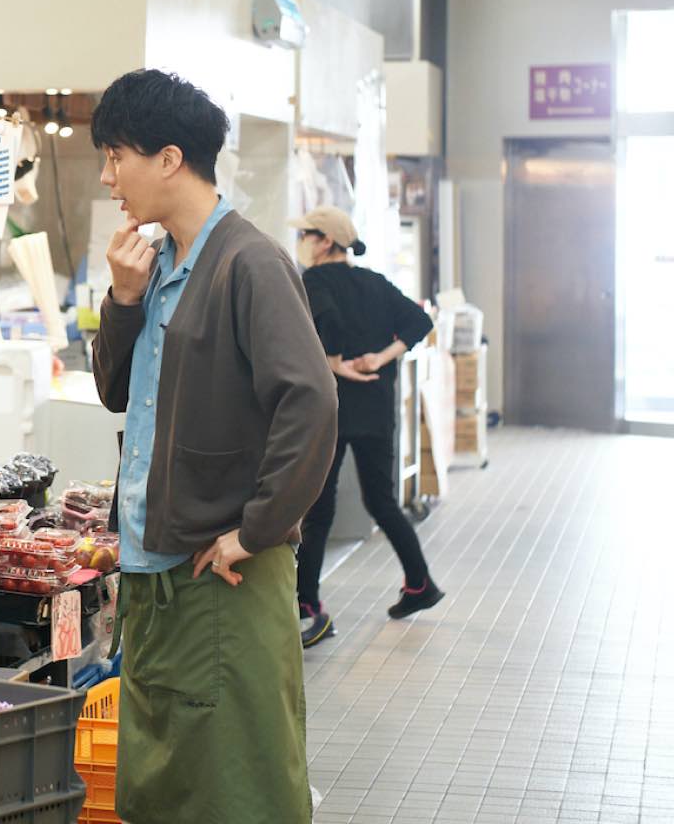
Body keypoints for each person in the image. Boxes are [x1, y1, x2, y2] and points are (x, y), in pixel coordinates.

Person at [91, 69, 337, 824]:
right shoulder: (159, 263)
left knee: (239, 786)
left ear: (169, 159)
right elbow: (115, 391)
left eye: (115, 157)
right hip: (158, 570)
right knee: (167, 787)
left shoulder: (250, 262)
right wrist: (122, 301)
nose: (107, 179)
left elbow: (312, 401)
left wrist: (255, 530)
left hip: (222, 577)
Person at [291, 205, 444, 648]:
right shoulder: (375, 282)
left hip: (334, 408)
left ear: (325, 242)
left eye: (307, 234)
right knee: (382, 501)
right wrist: (380, 357)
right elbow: (419, 321)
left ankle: (308, 606)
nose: (302, 241)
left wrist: (336, 363)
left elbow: (329, 326)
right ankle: (420, 583)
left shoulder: (314, 280)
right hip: (376, 407)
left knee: (319, 508)